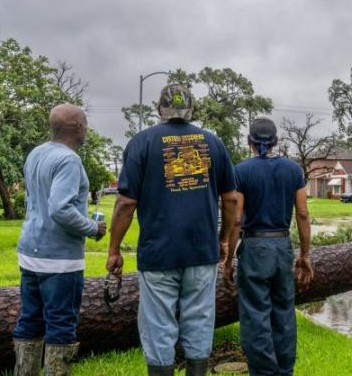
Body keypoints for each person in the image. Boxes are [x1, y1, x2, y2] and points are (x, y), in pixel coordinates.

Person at [106, 84, 239, 376]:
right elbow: (230, 199)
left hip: (158, 252)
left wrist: (114, 249)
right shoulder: (213, 143)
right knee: (200, 320)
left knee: (158, 325)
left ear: (159, 110)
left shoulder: (142, 142)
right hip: (202, 250)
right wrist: (224, 240)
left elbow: (125, 203)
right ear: (191, 109)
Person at [13, 104, 107, 376]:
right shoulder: (68, 160)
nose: (87, 128)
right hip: (59, 261)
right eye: (86, 123)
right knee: (61, 324)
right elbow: (60, 208)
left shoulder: (36, 153)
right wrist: (92, 227)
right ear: (77, 127)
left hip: (30, 252)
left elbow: (37, 201)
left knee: (29, 320)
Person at [223, 118, 313, 376]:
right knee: (284, 312)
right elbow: (303, 214)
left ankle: (263, 372)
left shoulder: (240, 171)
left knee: (255, 315)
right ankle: (284, 371)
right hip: (282, 246)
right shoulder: (293, 170)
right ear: (276, 141)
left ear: (249, 141)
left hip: (254, 247)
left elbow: (237, 219)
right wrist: (305, 255)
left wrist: (228, 261)